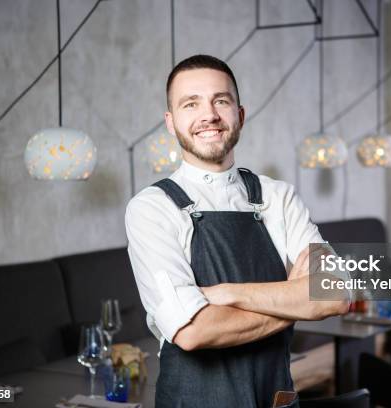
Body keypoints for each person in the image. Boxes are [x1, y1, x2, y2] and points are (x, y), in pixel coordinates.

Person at [125, 54, 349, 408]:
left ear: (240, 115)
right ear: (170, 122)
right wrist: (296, 298)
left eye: (221, 101)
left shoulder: (279, 196)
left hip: (275, 398)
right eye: (190, 104)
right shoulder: (152, 209)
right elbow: (193, 331)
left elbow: (336, 294)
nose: (208, 115)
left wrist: (227, 293)